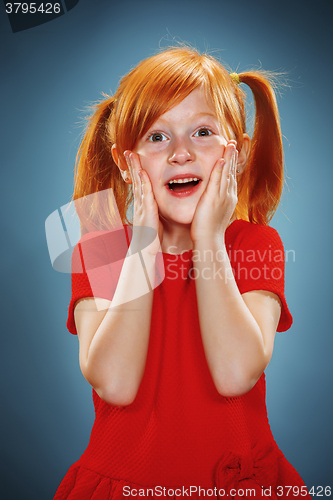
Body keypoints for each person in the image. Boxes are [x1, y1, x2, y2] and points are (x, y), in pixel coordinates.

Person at [54, 46, 311, 499]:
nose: (180, 153)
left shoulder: (254, 245)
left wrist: (209, 239)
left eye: (203, 132)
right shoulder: (101, 248)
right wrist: (143, 240)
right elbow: (114, 382)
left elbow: (235, 373)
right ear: (125, 162)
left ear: (239, 153)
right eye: (157, 137)